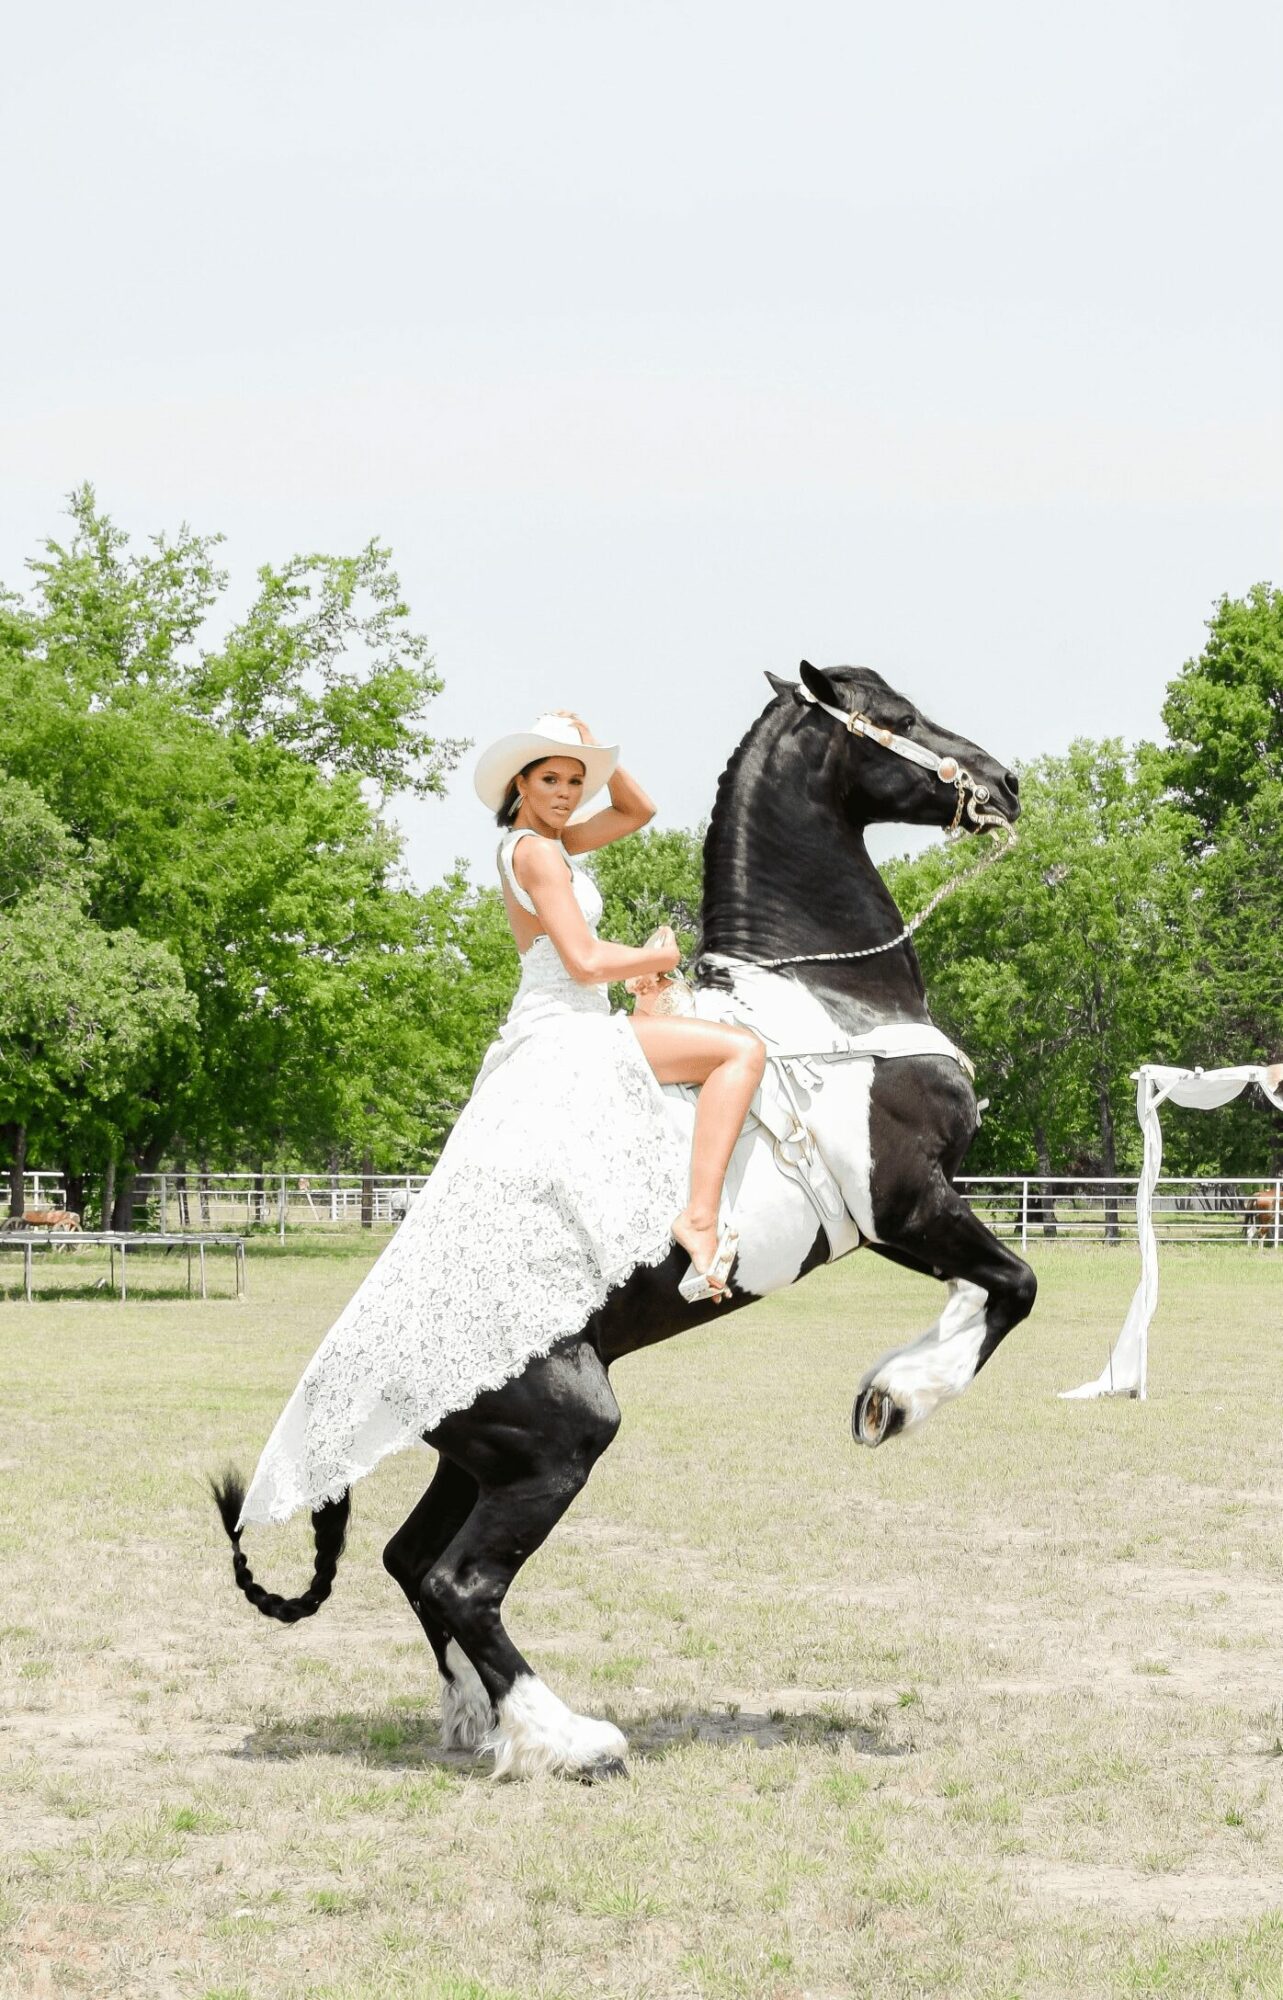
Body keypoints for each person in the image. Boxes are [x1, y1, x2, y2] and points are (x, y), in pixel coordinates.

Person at [235, 710, 763, 1528]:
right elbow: (585, 962)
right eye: (549, 778)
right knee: (737, 1054)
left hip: (568, 1017)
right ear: (519, 784)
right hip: (566, 1021)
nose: (565, 793)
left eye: (572, 782)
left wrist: (597, 750)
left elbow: (640, 812)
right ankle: (698, 1221)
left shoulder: (548, 842)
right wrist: (655, 960)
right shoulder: (533, 850)